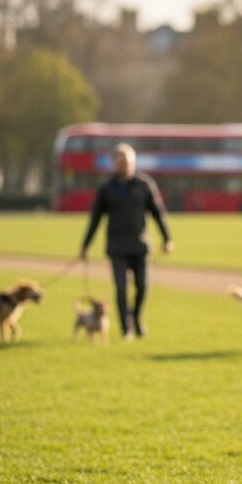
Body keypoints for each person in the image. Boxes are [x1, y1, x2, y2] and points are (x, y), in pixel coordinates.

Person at [80, 143, 173, 340]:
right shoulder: (106, 189)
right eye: (120, 162)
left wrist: (167, 238)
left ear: (134, 162)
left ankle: (136, 317)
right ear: (114, 163)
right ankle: (126, 329)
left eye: (128, 161)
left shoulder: (144, 184)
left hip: (140, 246)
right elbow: (95, 218)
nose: (124, 165)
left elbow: (158, 213)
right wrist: (85, 245)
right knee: (121, 289)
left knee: (142, 286)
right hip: (117, 248)